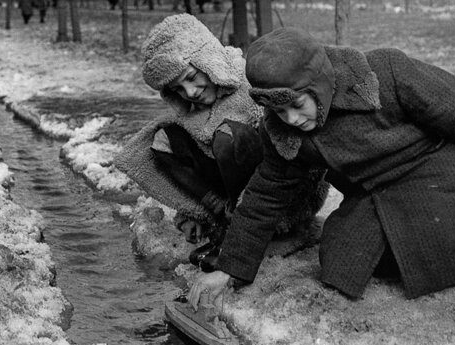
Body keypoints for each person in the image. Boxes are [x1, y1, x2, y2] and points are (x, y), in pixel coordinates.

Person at [188, 26, 455, 309]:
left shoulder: (384, 73)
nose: (291, 119)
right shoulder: (284, 133)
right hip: (375, 194)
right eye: (279, 112)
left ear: (317, 83)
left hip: (436, 171)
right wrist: (229, 268)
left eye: (296, 105)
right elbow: (265, 195)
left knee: (437, 235)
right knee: (342, 260)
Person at [114, 15, 329, 270]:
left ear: (208, 60)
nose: (191, 92)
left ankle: (247, 235)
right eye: (179, 89)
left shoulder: (253, 83)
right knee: (164, 141)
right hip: (228, 198)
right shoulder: (192, 113)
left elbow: (293, 148)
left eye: (192, 77)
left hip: (278, 195)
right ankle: (217, 217)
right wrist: (191, 212)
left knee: (228, 138)